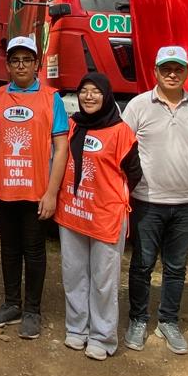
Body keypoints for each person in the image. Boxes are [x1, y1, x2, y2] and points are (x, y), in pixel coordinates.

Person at [122, 46, 188, 355]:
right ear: (155, 72)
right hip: (147, 200)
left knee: (176, 267)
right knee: (142, 264)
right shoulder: (137, 106)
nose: (172, 74)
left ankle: (168, 320)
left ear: (187, 72)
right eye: (166, 69)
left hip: (187, 203)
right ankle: (137, 319)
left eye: (178, 69)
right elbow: (123, 147)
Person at [0, 36, 69, 339]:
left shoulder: (52, 98)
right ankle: (11, 303)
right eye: (15, 60)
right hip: (4, 188)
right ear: (8, 65)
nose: (21, 65)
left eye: (27, 60)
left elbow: (61, 148)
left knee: (34, 250)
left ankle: (32, 309)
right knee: (9, 248)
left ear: (36, 64)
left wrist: (52, 192)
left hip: (36, 191)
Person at [57, 73, 141, 360]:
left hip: (105, 216)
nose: (89, 96)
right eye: (84, 91)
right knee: (74, 274)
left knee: (104, 280)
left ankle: (102, 336)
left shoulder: (121, 132)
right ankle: (76, 329)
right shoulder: (72, 126)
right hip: (72, 212)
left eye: (96, 92)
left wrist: (109, 194)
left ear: (107, 96)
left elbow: (135, 173)